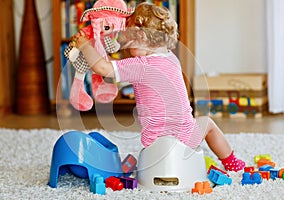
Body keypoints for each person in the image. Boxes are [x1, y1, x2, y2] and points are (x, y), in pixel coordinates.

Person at [71, 2, 245, 171]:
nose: (126, 47)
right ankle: (232, 162)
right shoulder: (171, 59)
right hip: (186, 140)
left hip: (154, 144)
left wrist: (86, 45)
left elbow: (102, 68)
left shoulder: (140, 65)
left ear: (140, 37)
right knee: (207, 123)